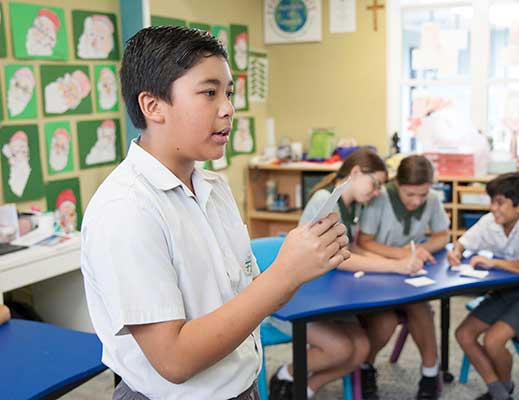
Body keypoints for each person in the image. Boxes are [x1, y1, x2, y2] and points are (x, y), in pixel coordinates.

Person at [81, 26, 350, 400]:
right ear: (153, 106)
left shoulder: (213, 186)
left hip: (241, 387)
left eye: (228, 93)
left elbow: (246, 297)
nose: (228, 108)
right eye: (209, 93)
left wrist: (301, 261)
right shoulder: (125, 210)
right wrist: (286, 274)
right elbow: (174, 360)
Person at [269, 148, 422, 400]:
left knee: (361, 348)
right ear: (356, 171)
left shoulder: (354, 207)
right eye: (375, 184)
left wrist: (399, 260)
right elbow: (340, 259)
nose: (375, 193)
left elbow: (355, 248)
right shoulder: (324, 200)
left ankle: (309, 387)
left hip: (331, 292)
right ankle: (286, 374)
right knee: (341, 349)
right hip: (302, 297)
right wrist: (396, 266)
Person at [451, 172, 519, 400]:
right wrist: (457, 251)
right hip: (507, 290)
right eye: (492, 201)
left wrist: (493, 262)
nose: (493, 208)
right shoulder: (491, 221)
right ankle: (499, 389)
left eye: (500, 202)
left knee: (493, 340)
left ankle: (502, 388)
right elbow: (464, 241)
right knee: (464, 334)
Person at [357, 155, 451, 400]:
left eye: (422, 194)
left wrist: (423, 249)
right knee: (385, 322)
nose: (417, 201)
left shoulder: (431, 200)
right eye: (410, 194)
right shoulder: (379, 199)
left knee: (422, 308)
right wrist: (401, 255)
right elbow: (363, 242)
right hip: (377, 273)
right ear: (398, 183)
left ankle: (430, 373)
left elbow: (443, 235)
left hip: (409, 272)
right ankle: (365, 366)